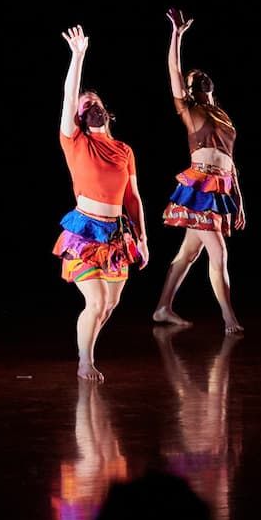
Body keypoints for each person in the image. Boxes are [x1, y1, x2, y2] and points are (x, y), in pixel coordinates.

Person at [54, 25, 150, 381]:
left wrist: (142, 239)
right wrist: (77, 56)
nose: (89, 105)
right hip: (85, 232)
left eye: (94, 102)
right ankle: (85, 361)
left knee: (110, 304)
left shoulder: (124, 150)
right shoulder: (76, 141)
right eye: (85, 104)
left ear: (105, 110)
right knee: (94, 301)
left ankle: (86, 349)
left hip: (116, 236)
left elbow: (134, 198)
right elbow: (68, 97)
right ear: (79, 117)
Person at [151, 10, 246, 333]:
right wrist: (177, 35)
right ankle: (229, 317)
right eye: (194, 79)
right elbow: (174, 72)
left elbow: (231, 163)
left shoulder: (223, 115)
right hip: (200, 185)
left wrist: (239, 202)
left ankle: (163, 307)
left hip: (220, 189)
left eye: (203, 76)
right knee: (217, 252)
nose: (199, 78)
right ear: (190, 90)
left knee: (188, 254)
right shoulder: (191, 111)